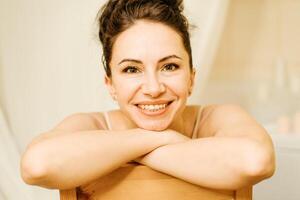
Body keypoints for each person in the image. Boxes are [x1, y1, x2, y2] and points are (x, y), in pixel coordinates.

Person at [20, 0, 275, 190]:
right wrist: (156, 139)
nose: (153, 88)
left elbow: (256, 161)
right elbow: (36, 166)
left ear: (191, 78)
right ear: (110, 84)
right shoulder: (93, 125)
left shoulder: (215, 118)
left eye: (169, 66)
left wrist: (138, 148)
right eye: (132, 69)